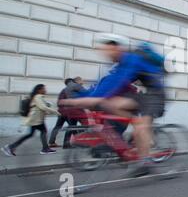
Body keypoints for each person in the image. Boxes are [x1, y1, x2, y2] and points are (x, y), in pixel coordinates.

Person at [60, 33, 166, 177]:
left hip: (156, 92)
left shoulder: (132, 60)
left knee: (142, 124)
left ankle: (145, 162)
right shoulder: (119, 65)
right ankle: (133, 130)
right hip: (142, 94)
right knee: (111, 104)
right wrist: (82, 98)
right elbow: (104, 85)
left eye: (107, 50)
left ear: (117, 48)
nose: (105, 54)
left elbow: (117, 84)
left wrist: (85, 100)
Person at [2, 84, 60, 156]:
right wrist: (56, 112)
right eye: (44, 89)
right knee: (41, 132)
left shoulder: (36, 97)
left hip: (35, 119)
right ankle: (45, 149)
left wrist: (48, 107)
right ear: (39, 90)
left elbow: (41, 107)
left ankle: (11, 147)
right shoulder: (38, 96)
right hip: (36, 120)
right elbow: (42, 107)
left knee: (33, 134)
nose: (45, 90)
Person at [49, 77, 86, 148]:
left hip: (62, 111)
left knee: (58, 126)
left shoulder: (64, 90)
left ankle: (51, 142)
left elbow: (59, 102)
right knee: (72, 127)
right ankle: (72, 143)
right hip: (69, 111)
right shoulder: (73, 90)